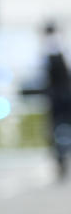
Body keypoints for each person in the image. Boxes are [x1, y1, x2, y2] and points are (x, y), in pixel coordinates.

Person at [41, 20, 71, 180]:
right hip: (63, 98)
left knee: (56, 129)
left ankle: (61, 159)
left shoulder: (49, 51)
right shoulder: (62, 48)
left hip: (57, 99)